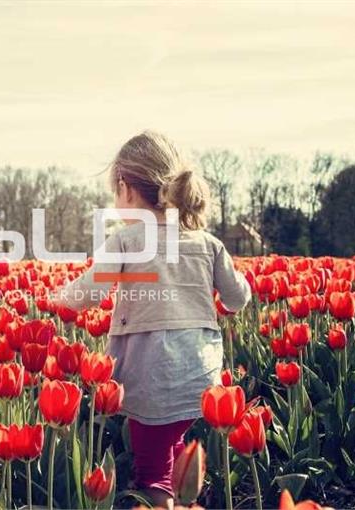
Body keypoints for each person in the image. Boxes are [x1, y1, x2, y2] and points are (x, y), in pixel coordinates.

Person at [52, 131, 251, 508]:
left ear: (125, 188)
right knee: (174, 444)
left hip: (151, 374)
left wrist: (57, 297)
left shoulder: (127, 240)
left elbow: (89, 293)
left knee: (153, 471)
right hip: (201, 375)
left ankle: (162, 501)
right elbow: (238, 297)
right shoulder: (208, 243)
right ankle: (181, 495)